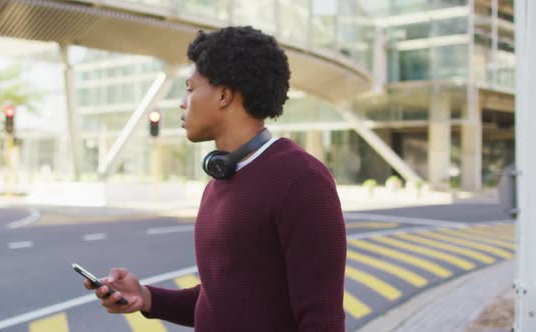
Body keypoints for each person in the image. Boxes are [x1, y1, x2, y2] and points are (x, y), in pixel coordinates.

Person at [84, 26, 347, 331]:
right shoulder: (219, 182)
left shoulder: (301, 180)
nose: (182, 102)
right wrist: (146, 297)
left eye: (190, 89)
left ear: (224, 95)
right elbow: (222, 300)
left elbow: (322, 320)